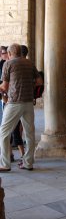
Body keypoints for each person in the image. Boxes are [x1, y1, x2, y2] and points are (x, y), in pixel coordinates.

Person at [0, 43, 42, 171]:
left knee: (4, 132)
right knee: (29, 133)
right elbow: (39, 81)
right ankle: (28, 163)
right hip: (28, 102)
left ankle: (5, 164)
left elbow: (5, 87)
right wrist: (28, 86)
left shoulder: (8, 64)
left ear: (11, 53)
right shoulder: (29, 63)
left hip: (14, 102)